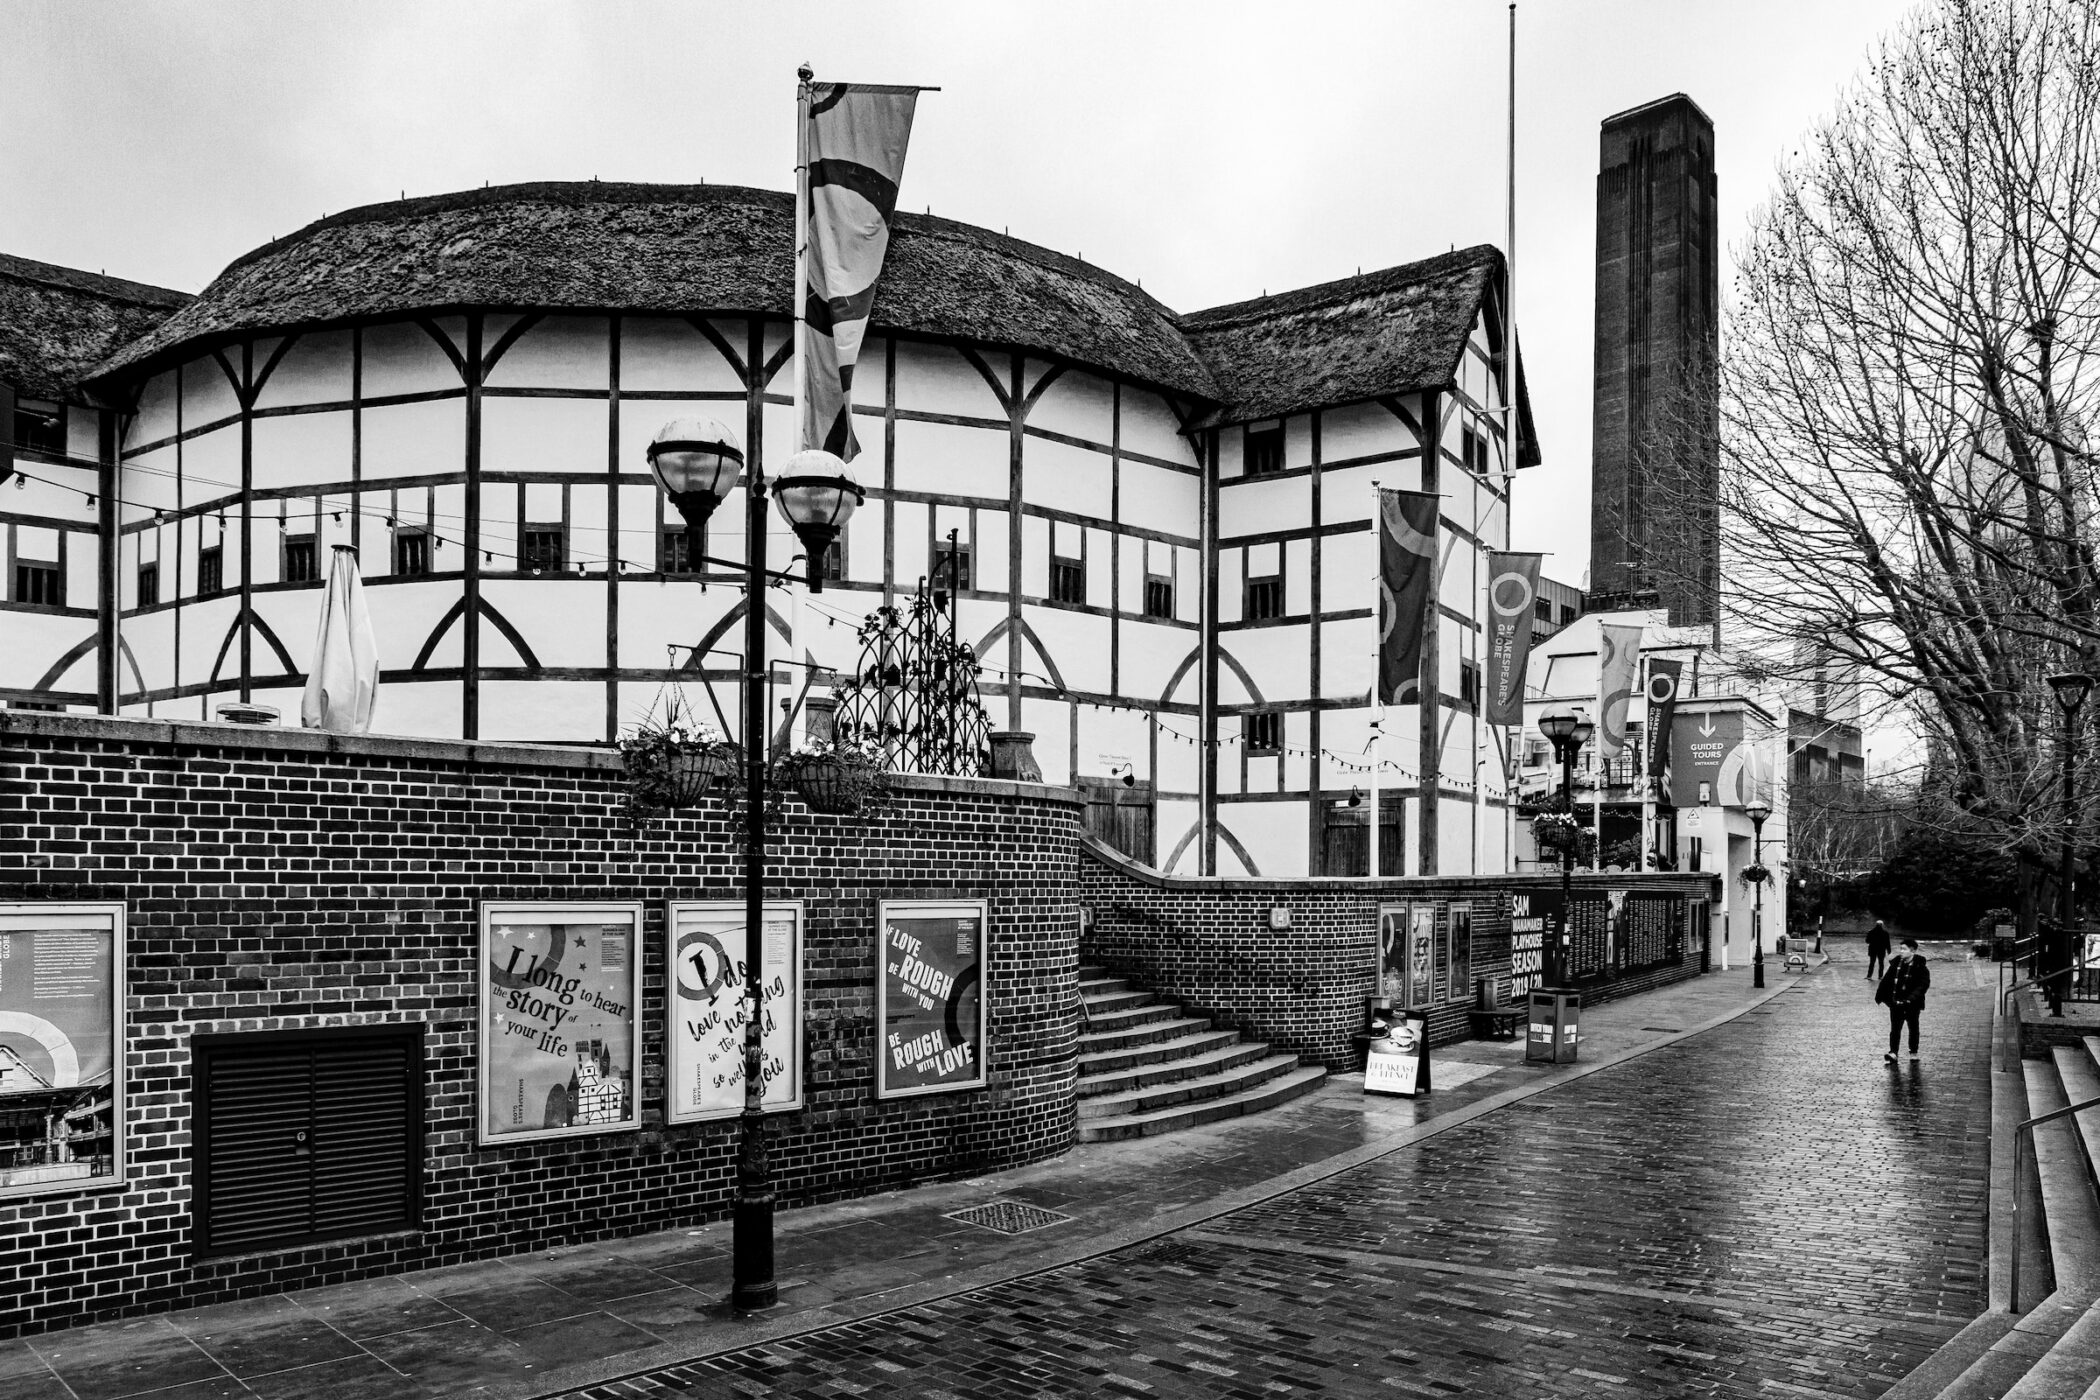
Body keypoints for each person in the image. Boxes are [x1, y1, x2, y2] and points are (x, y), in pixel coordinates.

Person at [1876, 937, 1931, 1062]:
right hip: (1896, 1003)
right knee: (1895, 1029)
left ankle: (1913, 1052)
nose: (1901, 951)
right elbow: (1886, 981)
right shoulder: (1895, 965)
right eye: (1900, 949)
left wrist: (1910, 999)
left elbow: (1922, 985)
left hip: (1912, 1004)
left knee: (1913, 1028)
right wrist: (1883, 997)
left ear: (1912, 951)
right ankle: (1893, 1052)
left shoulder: (1920, 967)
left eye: (1904, 949)